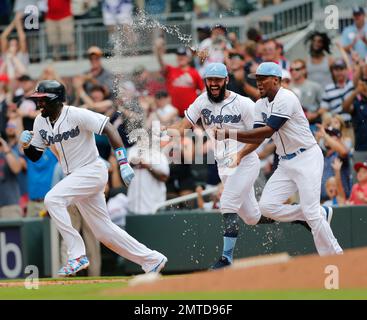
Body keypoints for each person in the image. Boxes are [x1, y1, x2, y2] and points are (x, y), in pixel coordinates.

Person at [19, 80, 167, 276]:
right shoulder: (40, 122)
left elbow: (109, 129)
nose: (39, 104)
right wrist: (26, 147)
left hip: (92, 170)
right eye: (38, 100)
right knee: (103, 232)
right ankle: (152, 260)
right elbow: (36, 156)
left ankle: (77, 255)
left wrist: (122, 163)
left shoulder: (75, 114)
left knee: (53, 199)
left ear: (56, 100)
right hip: (75, 176)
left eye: (43, 99)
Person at [213, 62, 343, 256]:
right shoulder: (259, 104)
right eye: (256, 79)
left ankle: (335, 256)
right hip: (285, 162)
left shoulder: (287, 97)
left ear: (276, 80)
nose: (259, 83)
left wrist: (230, 134)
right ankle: (317, 212)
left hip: (306, 156)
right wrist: (240, 154)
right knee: (267, 207)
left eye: (263, 79)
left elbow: (267, 131)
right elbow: (257, 136)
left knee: (312, 214)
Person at [164, 62, 280, 269]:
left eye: (218, 80)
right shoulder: (201, 102)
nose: (214, 84)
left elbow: (259, 137)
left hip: (244, 161)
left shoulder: (244, 104)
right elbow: (183, 126)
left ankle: (226, 259)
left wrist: (240, 154)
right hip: (223, 166)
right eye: (210, 80)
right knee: (252, 217)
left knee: (227, 204)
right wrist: (164, 131)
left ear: (226, 80)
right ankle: (295, 215)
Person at [154, 38, 204, 117]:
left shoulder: (194, 72)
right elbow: (161, 63)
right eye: (179, 55)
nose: (181, 57)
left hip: (191, 115)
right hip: (174, 115)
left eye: (183, 55)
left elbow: (203, 90)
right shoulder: (171, 70)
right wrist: (158, 51)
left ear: (189, 58)